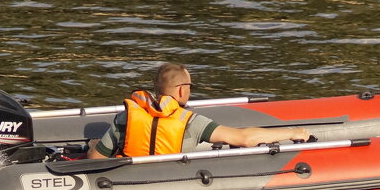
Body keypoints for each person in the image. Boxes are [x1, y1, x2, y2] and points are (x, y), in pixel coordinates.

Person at [88, 63, 309, 159]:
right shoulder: (189, 120)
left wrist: (95, 145)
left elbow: (96, 158)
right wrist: (292, 132)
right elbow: (243, 138)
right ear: (182, 90)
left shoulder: (127, 117)